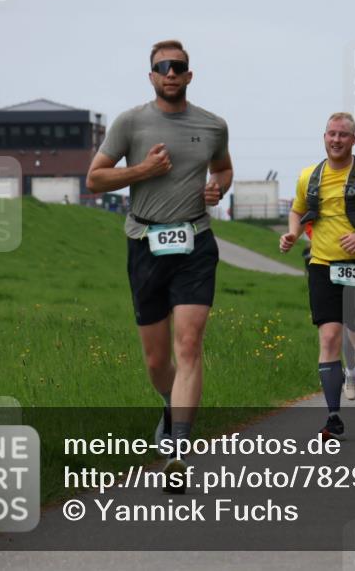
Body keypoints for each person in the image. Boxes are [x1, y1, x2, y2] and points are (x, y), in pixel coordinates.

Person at [86, 39, 232, 489]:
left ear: (190, 74)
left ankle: (178, 451)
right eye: (162, 67)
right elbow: (94, 179)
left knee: (189, 346)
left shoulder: (212, 125)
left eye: (179, 66)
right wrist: (141, 172)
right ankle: (170, 407)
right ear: (151, 76)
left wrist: (217, 188)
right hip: (145, 242)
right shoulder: (130, 123)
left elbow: (224, 169)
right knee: (156, 360)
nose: (170, 73)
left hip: (195, 242)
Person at [280, 112, 355, 440]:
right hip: (323, 267)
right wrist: (292, 233)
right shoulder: (310, 176)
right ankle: (333, 417)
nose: (336, 140)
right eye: (331, 134)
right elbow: (297, 210)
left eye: (343, 135)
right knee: (330, 338)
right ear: (324, 137)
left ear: (353, 140)